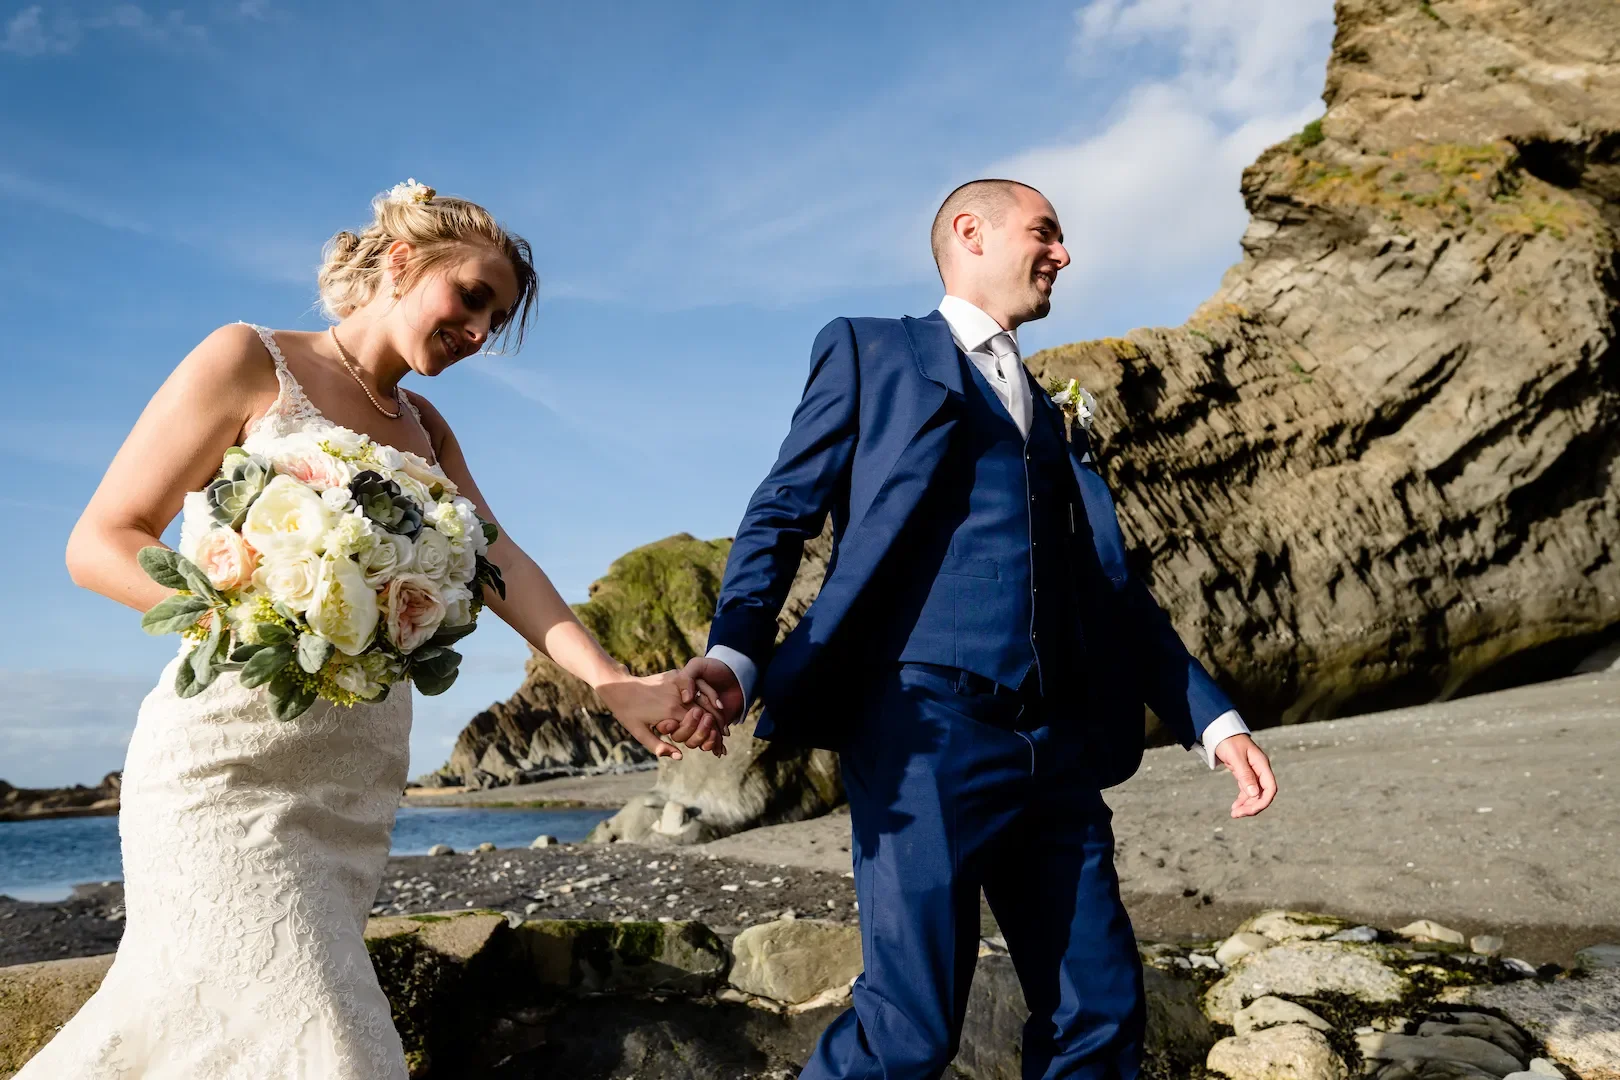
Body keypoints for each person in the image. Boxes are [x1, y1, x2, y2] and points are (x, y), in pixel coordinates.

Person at [21, 181, 723, 1079]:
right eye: (471, 297)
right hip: (225, 769)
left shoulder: (428, 432)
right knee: (332, 1046)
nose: (478, 332)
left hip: (351, 791)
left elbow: (501, 563)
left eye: (494, 321)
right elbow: (100, 542)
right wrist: (253, 612)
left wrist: (613, 681)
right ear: (401, 262)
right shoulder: (250, 358)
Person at [672, 179, 1279, 1078]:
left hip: (1056, 743)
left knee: (1101, 1009)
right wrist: (737, 654)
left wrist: (1212, 721)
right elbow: (782, 512)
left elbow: (1110, 591)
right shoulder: (871, 351)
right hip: (924, 731)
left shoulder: (1049, 410)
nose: (1064, 255)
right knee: (911, 1026)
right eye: (1047, 233)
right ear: (971, 231)